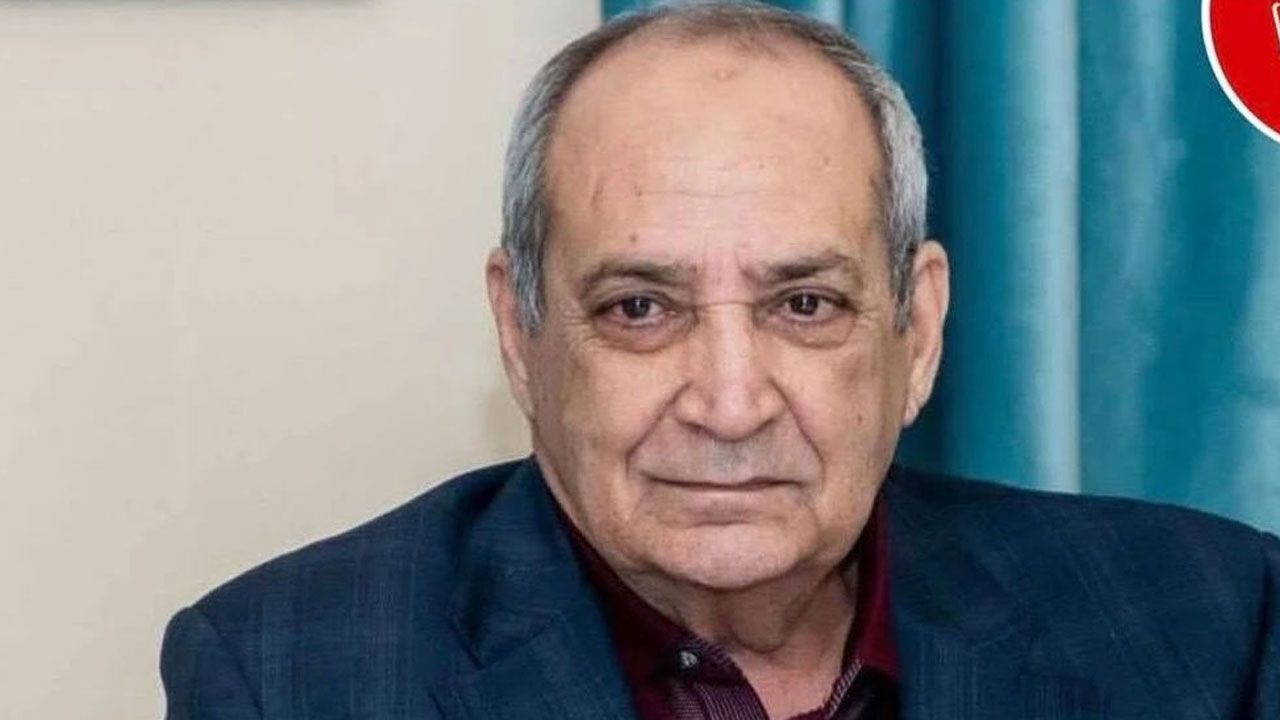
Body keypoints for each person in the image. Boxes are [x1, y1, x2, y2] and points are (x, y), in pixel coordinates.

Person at [159, 3, 1280, 719]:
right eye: (640, 308)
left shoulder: (1210, 621)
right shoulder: (290, 676)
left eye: (804, 304)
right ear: (519, 331)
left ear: (918, 329)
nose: (731, 403)